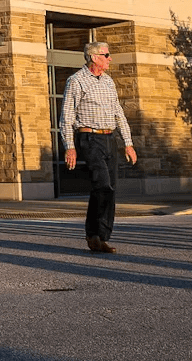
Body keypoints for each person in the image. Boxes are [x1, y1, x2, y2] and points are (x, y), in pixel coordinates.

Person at [59, 41, 137, 254]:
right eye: (106, 55)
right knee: (102, 184)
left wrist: (128, 144)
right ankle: (93, 234)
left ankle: (100, 237)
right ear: (94, 57)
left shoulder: (109, 81)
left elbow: (118, 114)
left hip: (109, 138)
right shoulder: (76, 81)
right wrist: (70, 147)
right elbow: (66, 117)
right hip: (89, 138)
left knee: (110, 188)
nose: (110, 58)